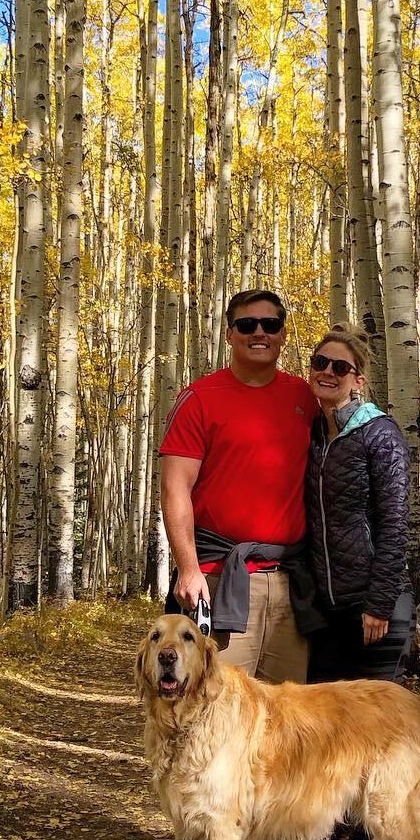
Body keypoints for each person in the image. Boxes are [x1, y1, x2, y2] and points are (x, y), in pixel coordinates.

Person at [281, 325, 413, 840]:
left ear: (359, 378)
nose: (327, 374)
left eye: (340, 367)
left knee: (367, 739)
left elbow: (396, 524)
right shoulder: (316, 434)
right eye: (319, 364)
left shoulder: (379, 436)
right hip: (328, 611)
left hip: (374, 609)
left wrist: (379, 601)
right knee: (327, 736)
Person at [158, 289, 323, 682]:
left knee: (284, 718)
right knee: (215, 710)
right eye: (247, 325)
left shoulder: (304, 396)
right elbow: (174, 489)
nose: (259, 333)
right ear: (230, 334)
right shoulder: (199, 399)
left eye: (271, 324)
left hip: (290, 584)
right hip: (219, 579)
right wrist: (188, 568)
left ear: (283, 335)